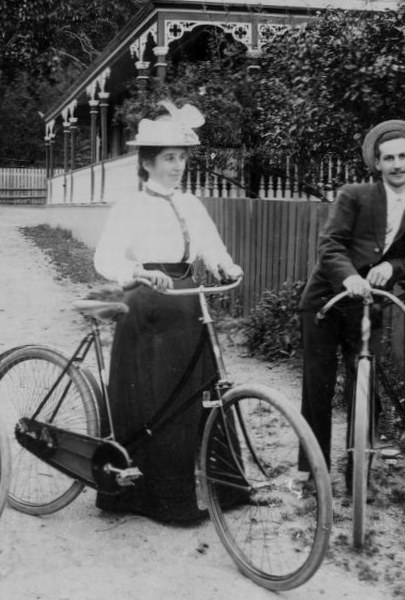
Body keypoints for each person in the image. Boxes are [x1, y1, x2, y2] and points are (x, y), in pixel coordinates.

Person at [93, 100, 243, 524]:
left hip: (187, 301)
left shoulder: (191, 203)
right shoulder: (130, 207)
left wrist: (225, 264)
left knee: (203, 394)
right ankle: (161, 498)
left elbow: (210, 245)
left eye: (181, 158)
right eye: (168, 159)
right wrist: (137, 273)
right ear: (147, 163)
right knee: (159, 403)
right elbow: (106, 258)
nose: (177, 166)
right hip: (147, 307)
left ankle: (227, 487)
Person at [298, 119, 405, 491]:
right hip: (327, 300)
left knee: (364, 384)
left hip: (367, 308)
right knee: (318, 388)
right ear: (377, 163)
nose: (397, 165)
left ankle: (359, 472)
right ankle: (313, 472)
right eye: (388, 158)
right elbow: (330, 246)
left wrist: (392, 266)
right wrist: (349, 277)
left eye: (403, 156)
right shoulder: (354, 196)